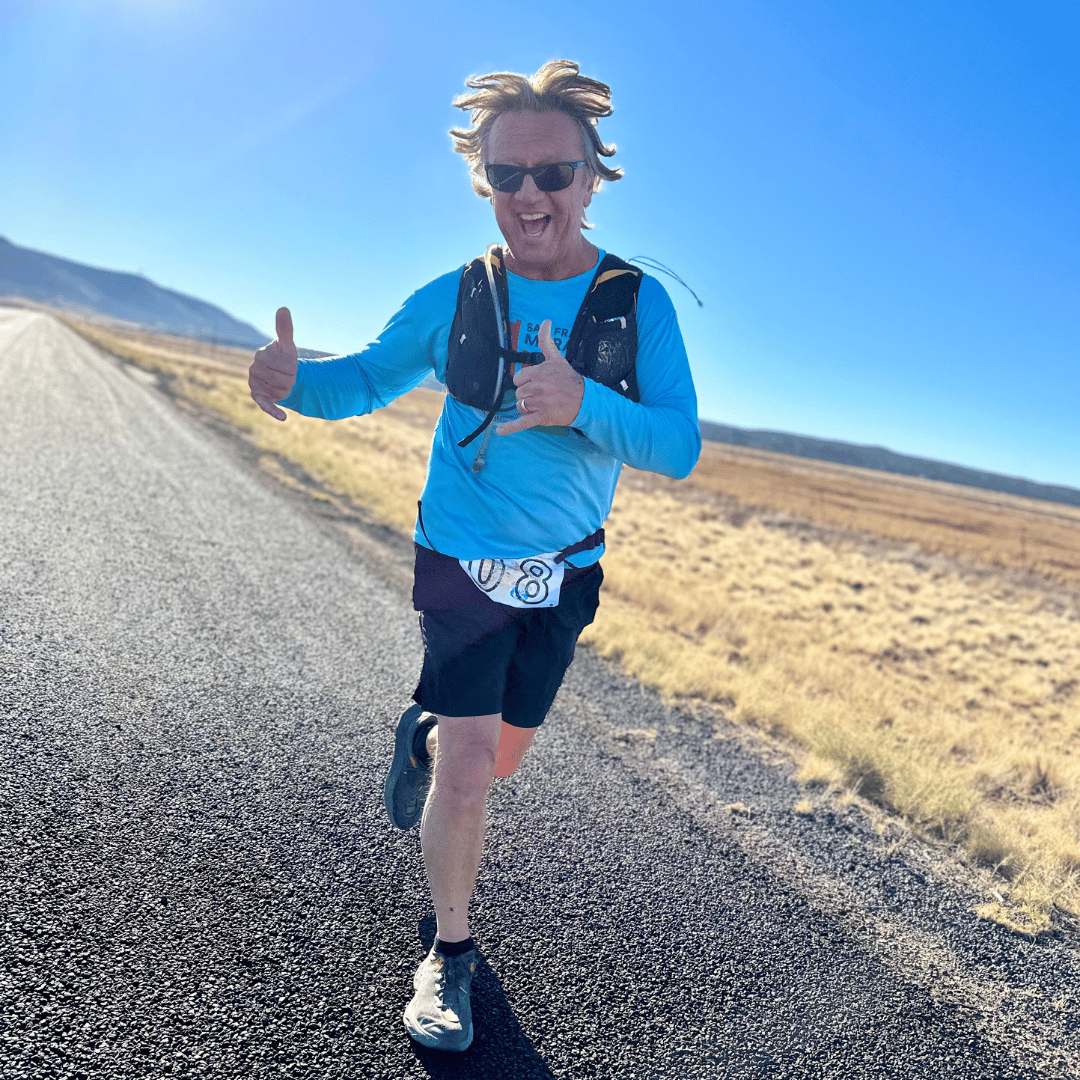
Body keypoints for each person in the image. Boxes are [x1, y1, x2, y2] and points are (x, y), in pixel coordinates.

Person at [248, 60, 700, 1052]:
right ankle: (449, 956)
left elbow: (679, 446)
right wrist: (291, 382)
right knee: (465, 771)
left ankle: (423, 737)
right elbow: (363, 382)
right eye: (508, 176)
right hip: (458, 556)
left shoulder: (636, 307)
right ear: (483, 182)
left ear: (592, 177)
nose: (530, 197)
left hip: (564, 571)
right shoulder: (459, 295)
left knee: (497, 759)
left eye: (553, 174)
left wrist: (585, 404)